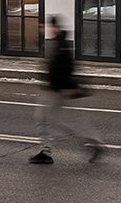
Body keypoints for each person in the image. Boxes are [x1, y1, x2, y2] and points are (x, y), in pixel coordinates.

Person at [30, 16, 102, 164]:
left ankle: (46, 152)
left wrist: (66, 87)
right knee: (62, 120)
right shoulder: (59, 43)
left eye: (49, 27)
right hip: (57, 89)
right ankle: (92, 143)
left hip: (56, 91)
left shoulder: (62, 46)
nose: (47, 29)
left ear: (56, 28)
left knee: (43, 119)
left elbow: (65, 68)